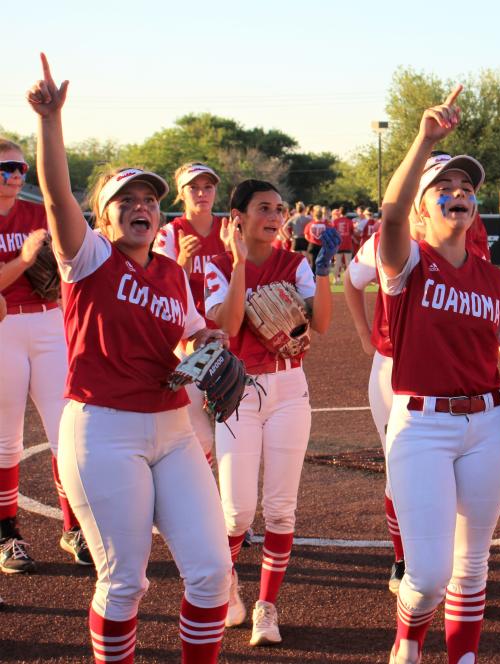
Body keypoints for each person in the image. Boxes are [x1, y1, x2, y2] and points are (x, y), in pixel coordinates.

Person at [28, 54, 232, 663]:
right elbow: (56, 191)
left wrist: (208, 349)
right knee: (123, 583)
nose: (141, 205)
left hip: (171, 428)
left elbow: (195, 337)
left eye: (150, 198)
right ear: (103, 214)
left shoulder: (172, 273)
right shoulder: (87, 257)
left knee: (211, 573)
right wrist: (51, 121)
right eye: (126, 199)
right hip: (103, 430)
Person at [377, 86, 500, 664]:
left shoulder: (494, 280)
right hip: (422, 425)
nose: (459, 195)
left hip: (487, 427)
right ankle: (408, 639)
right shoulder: (408, 262)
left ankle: (463, 658)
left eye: (467, 189)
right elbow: (391, 212)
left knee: (473, 561)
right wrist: (425, 138)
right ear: (426, 208)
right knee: (428, 574)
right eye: (444, 189)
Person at [204, 178, 333, 647]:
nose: (275, 215)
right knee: (237, 513)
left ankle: (266, 605)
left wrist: (321, 271)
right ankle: (227, 585)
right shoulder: (218, 266)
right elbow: (230, 325)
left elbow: (318, 323)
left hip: (289, 388)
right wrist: (239, 264)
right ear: (237, 217)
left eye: (279, 207)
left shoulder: (293, 262)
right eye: (263, 208)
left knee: (280, 509)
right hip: (238, 390)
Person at [0, 137, 89, 571]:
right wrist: (25, 257)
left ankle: (73, 529)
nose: (15, 176)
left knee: (65, 431)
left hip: (49, 322)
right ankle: (7, 535)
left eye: (19, 168)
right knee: (6, 440)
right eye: (5, 169)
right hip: (4, 327)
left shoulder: (40, 214)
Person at [343, 208, 428, 594]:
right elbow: (351, 280)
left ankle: (458, 565)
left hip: (447, 370)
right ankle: (403, 559)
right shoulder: (382, 241)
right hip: (392, 367)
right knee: (398, 470)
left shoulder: (468, 240)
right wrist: (364, 335)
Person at [152, 162, 228, 468]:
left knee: (233, 429)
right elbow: (158, 290)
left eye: (207, 187)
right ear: (181, 194)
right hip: (188, 343)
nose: (201, 193)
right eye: (193, 188)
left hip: (228, 337)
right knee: (199, 433)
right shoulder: (170, 233)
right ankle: (206, 497)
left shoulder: (228, 230)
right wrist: (182, 260)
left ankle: (232, 504)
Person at [331, 206, 353, 284]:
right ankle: (348, 280)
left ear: (340, 212)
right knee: (348, 262)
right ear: (346, 212)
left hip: (338, 244)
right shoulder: (350, 221)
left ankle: (336, 279)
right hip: (347, 243)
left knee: (337, 262)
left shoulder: (335, 221)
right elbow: (352, 232)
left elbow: (332, 233)